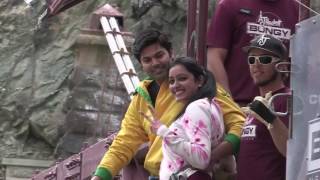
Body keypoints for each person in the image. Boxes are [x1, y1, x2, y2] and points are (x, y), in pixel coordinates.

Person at [91, 29, 245, 180]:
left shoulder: (197, 87)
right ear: (141, 64)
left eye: (159, 55)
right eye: (147, 60)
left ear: (171, 53)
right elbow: (124, 143)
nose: (155, 63)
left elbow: (240, 124)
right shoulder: (141, 97)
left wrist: (211, 156)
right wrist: (100, 176)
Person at [140, 56, 226, 180]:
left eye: (182, 79)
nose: (175, 85)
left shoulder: (196, 108)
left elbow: (201, 158)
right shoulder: (213, 106)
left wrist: (164, 132)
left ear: (199, 81)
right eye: (171, 81)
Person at [206, 0, 298, 106]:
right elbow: (214, 58)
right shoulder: (230, 4)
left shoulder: (297, 9)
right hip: (239, 105)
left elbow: (305, 62)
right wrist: (230, 107)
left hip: (280, 105)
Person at [237, 34, 290, 180]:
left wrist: (270, 119)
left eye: (265, 59)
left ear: (283, 66)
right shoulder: (257, 104)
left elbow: (293, 151)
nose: (256, 64)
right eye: (252, 59)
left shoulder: (286, 99)